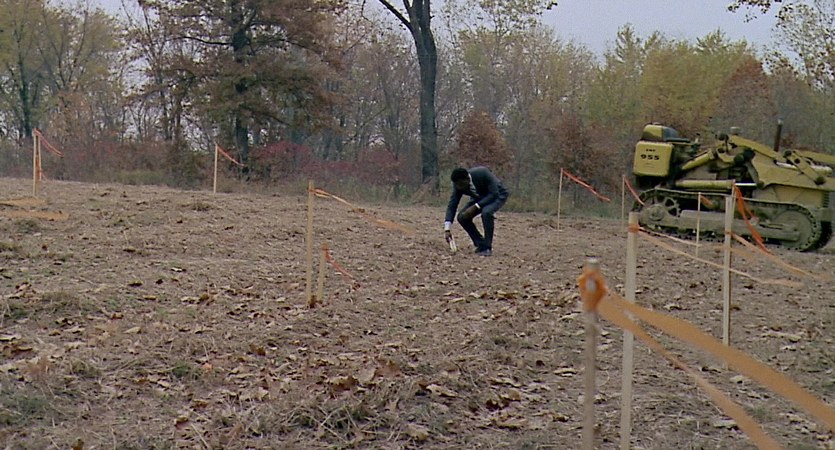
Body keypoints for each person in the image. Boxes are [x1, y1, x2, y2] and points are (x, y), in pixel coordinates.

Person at [444, 166, 509, 256]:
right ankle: (481, 244)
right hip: (479, 197)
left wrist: (476, 206)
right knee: (462, 217)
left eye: (461, 185)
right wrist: (447, 228)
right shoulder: (458, 185)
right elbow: (452, 205)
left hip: (498, 194)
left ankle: (487, 247)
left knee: (486, 212)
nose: (459, 188)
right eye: (457, 185)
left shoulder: (482, 173)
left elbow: (494, 193)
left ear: (467, 179)